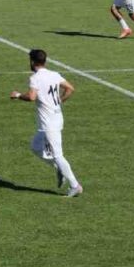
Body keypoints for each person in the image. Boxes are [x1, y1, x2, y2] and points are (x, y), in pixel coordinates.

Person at [9, 49, 82, 197]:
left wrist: (17, 95)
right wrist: (60, 101)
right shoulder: (54, 74)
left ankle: (75, 185)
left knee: (58, 155)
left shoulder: (35, 78)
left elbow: (31, 97)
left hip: (49, 123)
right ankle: (58, 168)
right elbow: (70, 88)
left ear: (32, 61)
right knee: (36, 147)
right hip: (55, 119)